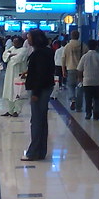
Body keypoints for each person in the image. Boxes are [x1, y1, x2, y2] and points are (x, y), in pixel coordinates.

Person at [23, 29, 56, 161]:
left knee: (36, 121)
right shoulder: (46, 51)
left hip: (40, 90)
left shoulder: (39, 53)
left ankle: (33, 152)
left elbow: (41, 74)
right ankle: (41, 151)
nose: (27, 39)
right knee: (41, 120)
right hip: (46, 87)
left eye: (29, 37)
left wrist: (35, 92)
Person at [77, 39, 99, 119]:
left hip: (87, 81)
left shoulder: (84, 56)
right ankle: (96, 114)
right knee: (97, 98)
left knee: (88, 98)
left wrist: (80, 78)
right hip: (97, 81)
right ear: (96, 46)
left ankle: (88, 114)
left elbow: (79, 69)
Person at [63, 30, 84, 110]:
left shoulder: (67, 46)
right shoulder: (83, 46)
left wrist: (63, 70)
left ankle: (72, 99)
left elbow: (63, 59)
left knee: (70, 86)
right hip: (81, 71)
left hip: (70, 69)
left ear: (71, 36)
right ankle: (79, 107)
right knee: (80, 87)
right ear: (78, 36)